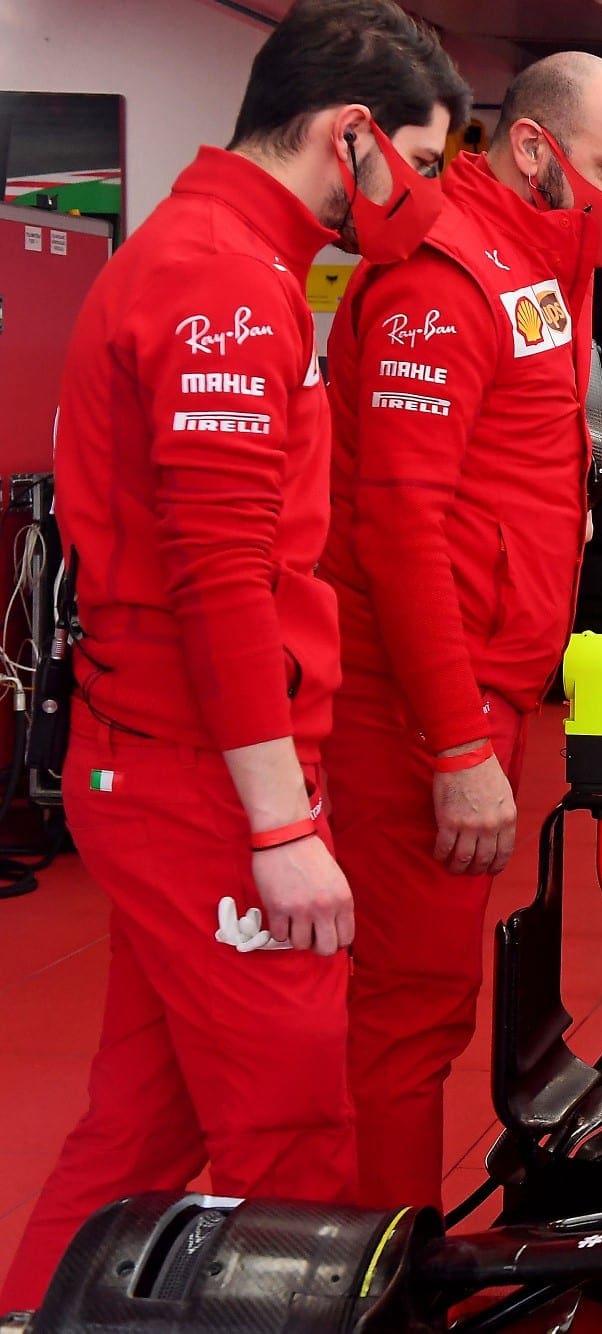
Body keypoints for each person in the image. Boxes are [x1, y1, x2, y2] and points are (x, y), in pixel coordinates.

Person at [0, 0, 468, 1308]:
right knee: (290, 1137)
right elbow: (218, 575)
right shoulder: (217, 278)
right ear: (354, 135)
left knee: (138, 1134)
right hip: (200, 783)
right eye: (422, 166)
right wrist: (278, 824)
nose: (425, 202)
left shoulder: (233, 259)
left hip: (171, 768)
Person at [319, 51, 602, 1211]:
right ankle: (382, 1275)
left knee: (429, 999)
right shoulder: (442, 278)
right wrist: (457, 743)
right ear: (532, 150)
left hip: (481, 684)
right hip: (412, 704)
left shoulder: (537, 263)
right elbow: (400, 529)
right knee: (405, 1008)